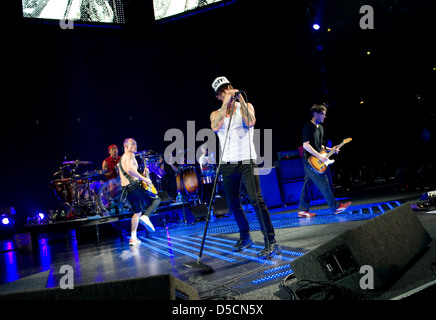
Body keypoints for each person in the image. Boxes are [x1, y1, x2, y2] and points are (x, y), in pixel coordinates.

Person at [210, 76, 280, 259]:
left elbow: (251, 123)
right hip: (227, 163)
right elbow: (215, 127)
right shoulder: (215, 113)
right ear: (218, 96)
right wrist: (226, 104)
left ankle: (271, 241)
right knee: (233, 204)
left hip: (247, 159)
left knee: (256, 199)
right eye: (223, 91)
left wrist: (240, 102)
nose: (228, 92)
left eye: (229, 88)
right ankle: (245, 236)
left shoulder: (245, 106)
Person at [298, 104, 351, 217]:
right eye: (322, 114)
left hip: (317, 161)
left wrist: (331, 149)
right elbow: (306, 145)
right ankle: (336, 207)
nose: (324, 116)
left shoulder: (320, 128)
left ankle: (302, 210)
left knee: (307, 186)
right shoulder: (308, 127)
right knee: (324, 182)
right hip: (310, 162)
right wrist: (319, 156)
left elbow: (321, 146)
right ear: (315, 114)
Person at [119, 138, 161, 246]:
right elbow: (130, 170)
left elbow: (130, 173)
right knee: (156, 199)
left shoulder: (122, 158)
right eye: (132, 144)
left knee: (137, 212)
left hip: (127, 191)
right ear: (125, 146)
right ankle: (146, 217)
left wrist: (143, 173)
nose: (135, 146)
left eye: (136, 144)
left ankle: (133, 238)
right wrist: (145, 179)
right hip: (134, 187)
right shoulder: (130, 155)